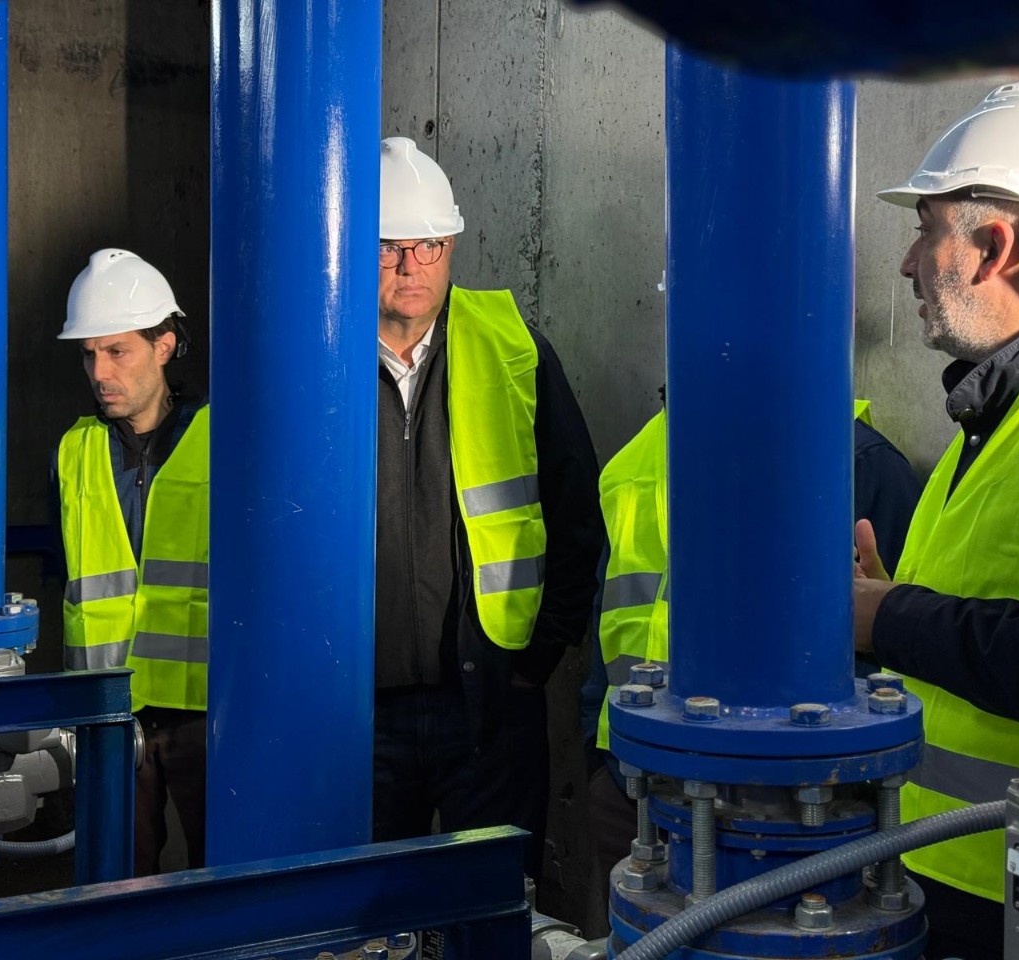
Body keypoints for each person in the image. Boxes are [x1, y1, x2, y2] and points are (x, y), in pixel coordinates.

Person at [854, 81, 1019, 960]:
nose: (907, 263)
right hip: (960, 877)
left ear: (992, 246)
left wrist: (888, 618)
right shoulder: (1005, 407)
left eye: (925, 229)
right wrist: (892, 602)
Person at [580, 394, 921, 925]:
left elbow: (899, 633)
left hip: (790, 803)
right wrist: (595, 740)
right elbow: (611, 604)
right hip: (633, 780)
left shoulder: (855, 462)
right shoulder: (634, 460)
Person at [373, 137, 604, 880]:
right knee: (363, 918)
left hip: (488, 704)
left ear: (452, 247)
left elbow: (576, 512)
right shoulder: (306, 357)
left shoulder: (515, 350)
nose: (411, 268)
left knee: (490, 911)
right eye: (388, 248)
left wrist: (538, 660)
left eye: (429, 247)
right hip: (349, 713)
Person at [54, 248, 209, 877]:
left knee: (221, 875)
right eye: (89, 354)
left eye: (118, 351)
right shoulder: (74, 449)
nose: (100, 371)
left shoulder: (221, 437)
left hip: (207, 705)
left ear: (165, 346)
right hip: (107, 707)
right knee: (115, 880)